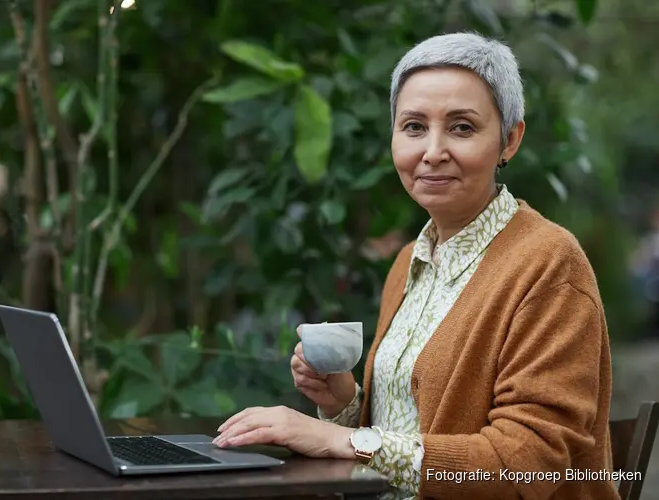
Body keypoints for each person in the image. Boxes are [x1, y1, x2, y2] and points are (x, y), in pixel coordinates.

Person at [213, 32, 619, 499]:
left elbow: (526, 463)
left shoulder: (549, 264)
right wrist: (343, 404)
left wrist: (340, 438)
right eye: (413, 127)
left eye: (462, 127)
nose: (432, 151)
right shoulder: (411, 260)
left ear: (510, 140)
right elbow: (398, 434)